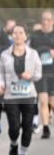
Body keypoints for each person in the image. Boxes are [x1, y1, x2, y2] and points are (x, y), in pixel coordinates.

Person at [0, 24, 42, 155]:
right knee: (14, 126)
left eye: (21, 32)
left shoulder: (33, 54)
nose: (18, 35)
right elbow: (0, 73)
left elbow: (39, 74)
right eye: (15, 33)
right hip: (10, 94)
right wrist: (0, 85)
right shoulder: (5, 55)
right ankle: (14, 143)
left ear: (25, 36)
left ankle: (23, 153)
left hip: (28, 94)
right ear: (11, 36)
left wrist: (31, 76)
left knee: (27, 126)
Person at [30, 10, 54, 139]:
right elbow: (29, 52)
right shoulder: (35, 36)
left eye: (48, 19)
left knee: (52, 102)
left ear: (53, 21)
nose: (45, 22)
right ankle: (45, 128)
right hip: (41, 73)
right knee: (43, 101)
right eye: (44, 19)